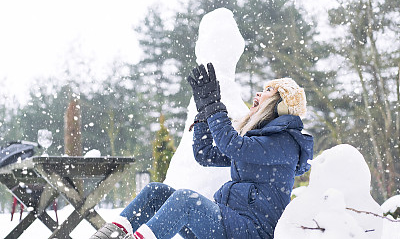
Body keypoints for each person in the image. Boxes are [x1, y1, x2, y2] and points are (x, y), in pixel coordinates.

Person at [90, 63, 313, 239]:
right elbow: (206, 155)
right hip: (230, 226)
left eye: (267, 91)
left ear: (279, 104)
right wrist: (204, 113)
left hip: (251, 232)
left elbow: (231, 144)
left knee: (186, 200)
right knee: (156, 192)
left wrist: (215, 106)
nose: (258, 93)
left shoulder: (284, 143)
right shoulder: (259, 142)